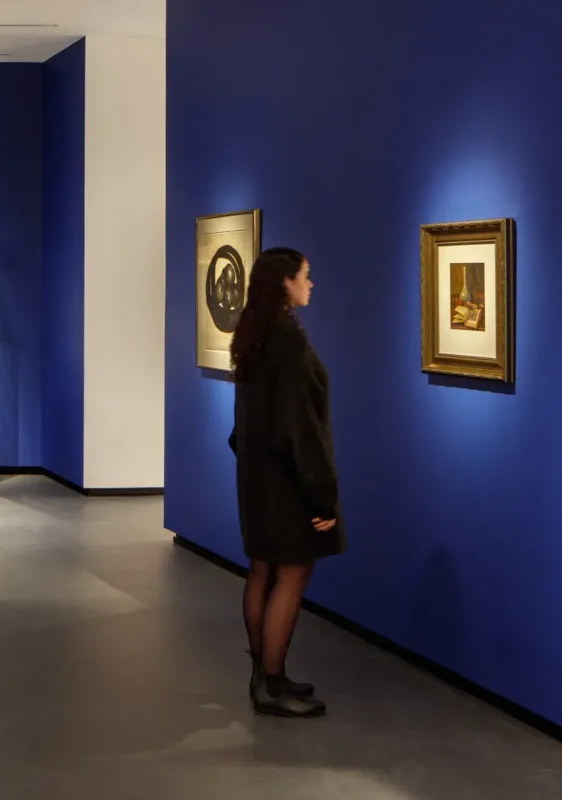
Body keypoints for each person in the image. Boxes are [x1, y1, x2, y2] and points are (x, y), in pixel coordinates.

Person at [226, 247, 343, 718]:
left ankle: (263, 674)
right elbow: (300, 428)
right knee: (291, 575)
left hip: (257, 479)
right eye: (306, 277)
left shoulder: (254, 336)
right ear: (285, 284)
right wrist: (322, 495)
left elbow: (246, 424)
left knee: (261, 571)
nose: (311, 285)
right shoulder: (288, 342)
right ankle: (272, 685)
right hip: (286, 482)